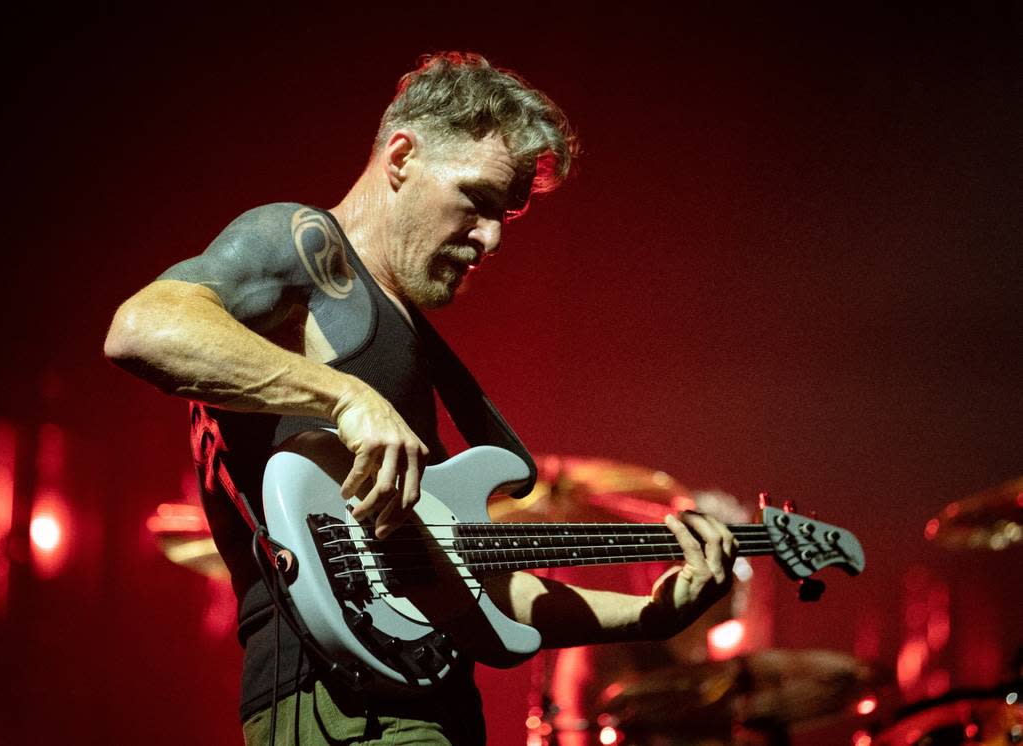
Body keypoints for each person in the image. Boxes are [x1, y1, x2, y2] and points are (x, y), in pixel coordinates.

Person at [104, 52, 738, 746]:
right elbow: (142, 328)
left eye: (507, 215)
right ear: (401, 156)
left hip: (422, 700)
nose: (492, 238)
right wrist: (345, 397)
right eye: (478, 200)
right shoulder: (309, 247)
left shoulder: (402, 333)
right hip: (341, 708)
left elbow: (469, 589)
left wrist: (649, 616)